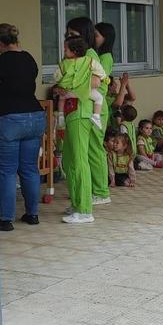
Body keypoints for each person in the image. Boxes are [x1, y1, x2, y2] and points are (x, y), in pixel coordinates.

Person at [0, 23, 46, 231]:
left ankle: (5, 220)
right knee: (30, 168)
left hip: (10, 119)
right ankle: (32, 215)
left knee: (6, 171)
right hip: (35, 116)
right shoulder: (29, 59)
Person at [66, 17, 112, 213]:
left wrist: (70, 86)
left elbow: (96, 82)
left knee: (90, 152)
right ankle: (84, 197)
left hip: (92, 109)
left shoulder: (90, 53)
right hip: (81, 107)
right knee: (77, 157)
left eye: (73, 35)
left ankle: (99, 192)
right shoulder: (81, 53)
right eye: (67, 35)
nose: (69, 39)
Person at [54, 34, 99, 224]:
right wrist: (60, 89)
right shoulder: (67, 65)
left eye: (66, 49)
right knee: (70, 160)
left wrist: (70, 86)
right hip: (72, 113)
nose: (64, 52)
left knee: (80, 161)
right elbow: (56, 85)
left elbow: (96, 82)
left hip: (81, 112)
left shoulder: (89, 61)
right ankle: (77, 202)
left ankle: (85, 210)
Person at [54, 34, 107, 131]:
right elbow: (100, 71)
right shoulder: (90, 61)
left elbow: (56, 76)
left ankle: (60, 117)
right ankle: (96, 116)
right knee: (99, 98)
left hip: (69, 92)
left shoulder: (64, 63)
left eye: (66, 49)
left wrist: (60, 83)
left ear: (74, 52)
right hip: (85, 91)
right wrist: (104, 78)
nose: (64, 51)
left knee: (61, 97)